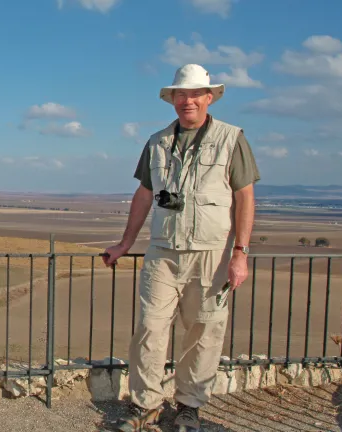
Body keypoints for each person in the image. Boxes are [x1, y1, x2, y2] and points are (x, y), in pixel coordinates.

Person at [102, 64, 260, 432]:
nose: (187, 101)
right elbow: (144, 193)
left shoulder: (231, 138)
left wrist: (241, 252)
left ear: (209, 97)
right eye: (180, 95)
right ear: (172, 100)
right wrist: (126, 242)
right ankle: (145, 406)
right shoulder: (157, 142)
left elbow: (244, 196)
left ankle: (189, 406)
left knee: (204, 331)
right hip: (163, 252)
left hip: (212, 253)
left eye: (194, 94)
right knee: (150, 328)